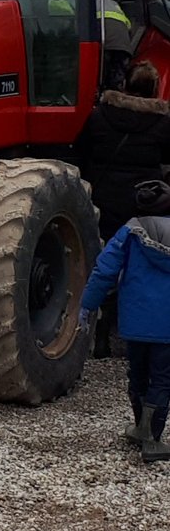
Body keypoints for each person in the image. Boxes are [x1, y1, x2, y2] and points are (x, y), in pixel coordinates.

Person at [75, 60, 170, 356]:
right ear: (154, 89)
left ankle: (99, 335)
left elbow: (81, 154)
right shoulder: (163, 123)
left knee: (105, 264)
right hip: (144, 204)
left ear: (124, 85)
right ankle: (137, 337)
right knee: (140, 266)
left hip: (104, 200)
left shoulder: (100, 116)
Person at [80, 179, 170, 463]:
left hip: (134, 322)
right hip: (167, 326)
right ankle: (152, 438)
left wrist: (87, 305)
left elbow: (104, 273)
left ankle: (140, 428)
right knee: (163, 379)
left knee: (138, 374)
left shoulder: (128, 233)